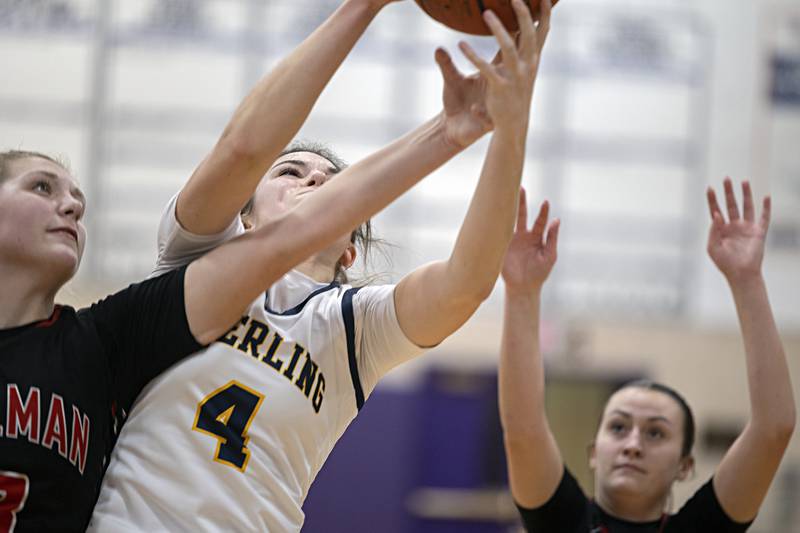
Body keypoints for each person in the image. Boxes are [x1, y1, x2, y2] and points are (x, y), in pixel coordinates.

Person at [0, 0, 482, 529]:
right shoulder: (195, 262)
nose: (315, 185)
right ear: (245, 218)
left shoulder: (353, 323)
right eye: (291, 173)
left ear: (349, 247)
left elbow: (463, 284)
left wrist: (481, 129)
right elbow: (245, 153)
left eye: (333, 185)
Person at [498, 179, 796, 532]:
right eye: (619, 427)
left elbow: (773, 430)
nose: (633, 445)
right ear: (595, 452)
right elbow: (523, 428)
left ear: (684, 466)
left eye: (656, 433)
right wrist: (521, 292)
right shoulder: (563, 521)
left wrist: (747, 281)